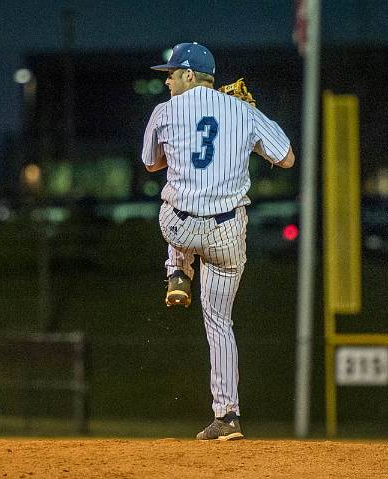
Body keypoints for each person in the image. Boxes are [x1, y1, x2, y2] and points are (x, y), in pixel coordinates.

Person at [141, 42, 295, 441]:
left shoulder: (164, 112)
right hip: (229, 234)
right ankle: (227, 417)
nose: (168, 82)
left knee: (169, 204)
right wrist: (251, 118)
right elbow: (287, 158)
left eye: (172, 75)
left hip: (181, 228)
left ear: (190, 76)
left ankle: (176, 271)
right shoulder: (244, 112)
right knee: (219, 323)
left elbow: (150, 163)